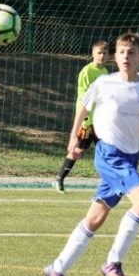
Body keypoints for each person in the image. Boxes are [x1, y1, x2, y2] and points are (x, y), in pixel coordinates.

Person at [43, 32, 139, 276]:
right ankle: (112, 262)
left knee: (95, 218)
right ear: (115, 57)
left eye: (131, 52)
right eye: (121, 52)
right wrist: (73, 138)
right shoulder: (103, 83)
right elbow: (83, 108)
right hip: (108, 154)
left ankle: (56, 268)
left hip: (130, 157)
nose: (126, 57)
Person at [52, 39, 110, 192]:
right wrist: (84, 118)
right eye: (99, 53)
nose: (102, 56)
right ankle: (59, 178)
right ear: (93, 54)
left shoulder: (105, 72)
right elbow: (84, 97)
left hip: (99, 121)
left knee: (107, 150)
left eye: (105, 53)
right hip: (86, 120)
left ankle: (110, 182)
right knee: (78, 150)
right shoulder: (87, 71)